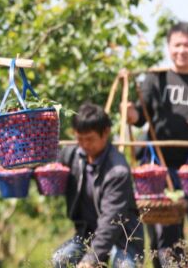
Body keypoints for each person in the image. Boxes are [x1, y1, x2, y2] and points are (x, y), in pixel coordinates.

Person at [126, 22, 188, 266]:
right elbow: (140, 116)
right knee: (166, 237)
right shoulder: (154, 79)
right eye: (177, 45)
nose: (182, 50)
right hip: (161, 171)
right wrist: (130, 113)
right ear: (169, 47)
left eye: (187, 45)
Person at [53, 103, 144, 268]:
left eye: (90, 139)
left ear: (106, 133)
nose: (84, 145)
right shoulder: (73, 155)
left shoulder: (118, 171)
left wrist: (91, 259)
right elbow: (49, 166)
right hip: (87, 236)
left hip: (123, 239)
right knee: (61, 259)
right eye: (79, 138)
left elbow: (111, 222)